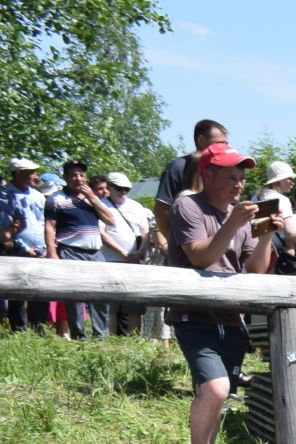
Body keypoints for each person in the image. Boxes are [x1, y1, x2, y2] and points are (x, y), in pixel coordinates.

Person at [166, 141, 280, 444]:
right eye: (231, 177)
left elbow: (256, 268)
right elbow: (200, 257)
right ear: (208, 175)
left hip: (232, 317)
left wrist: (266, 234)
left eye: (241, 178)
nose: (239, 184)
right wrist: (233, 223)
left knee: (220, 393)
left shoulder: (240, 216)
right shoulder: (188, 205)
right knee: (215, 389)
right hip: (195, 314)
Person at [44, 160, 119, 339]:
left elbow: (110, 220)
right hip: (70, 250)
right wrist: (52, 253)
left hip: (95, 252)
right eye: (73, 175)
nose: (78, 178)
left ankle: (101, 336)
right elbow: (49, 227)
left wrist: (92, 197)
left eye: (81, 175)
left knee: (101, 293)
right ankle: (79, 337)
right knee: (75, 295)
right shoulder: (55, 199)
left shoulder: (92, 198)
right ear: (65, 177)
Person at [152, 119, 226, 251]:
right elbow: (161, 211)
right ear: (201, 140)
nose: (224, 148)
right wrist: (178, 243)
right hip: (189, 248)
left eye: (226, 144)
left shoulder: (225, 170)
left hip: (216, 247)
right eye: (219, 143)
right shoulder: (179, 167)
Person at [95, 172, 153, 335]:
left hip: (135, 262)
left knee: (134, 305)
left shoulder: (136, 207)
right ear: (110, 187)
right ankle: (111, 339)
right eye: (119, 189)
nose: (123, 192)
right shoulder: (101, 205)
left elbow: (145, 232)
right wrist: (122, 252)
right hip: (110, 261)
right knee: (111, 306)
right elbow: (101, 233)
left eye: (126, 189)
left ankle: (135, 340)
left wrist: (140, 252)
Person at [0, 159, 52, 330]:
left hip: (41, 250)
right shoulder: (4, 195)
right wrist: (23, 247)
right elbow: (5, 229)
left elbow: (43, 222)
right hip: (16, 251)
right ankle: (19, 330)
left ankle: (39, 329)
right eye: (31, 172)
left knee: (41, 290)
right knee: (17, 293)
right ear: (18, 173)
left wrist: (47, 246)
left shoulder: (37, 195)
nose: (35, 175)